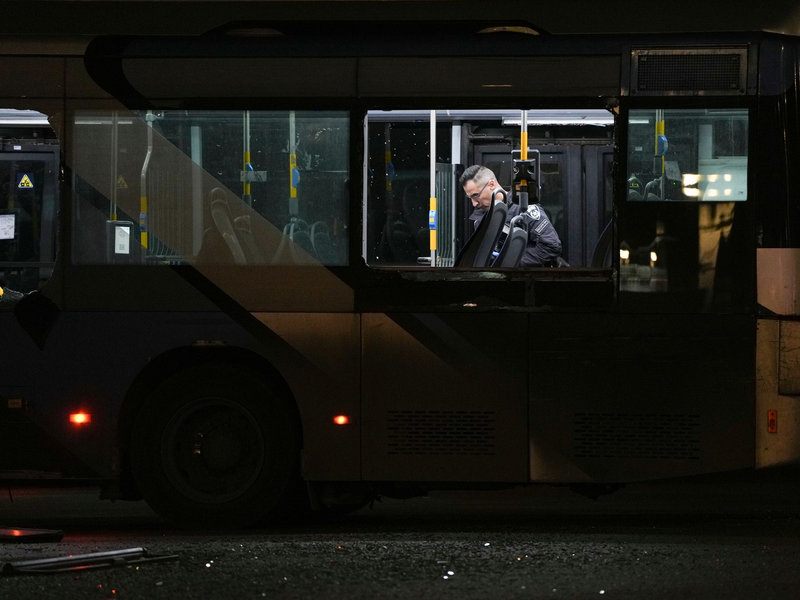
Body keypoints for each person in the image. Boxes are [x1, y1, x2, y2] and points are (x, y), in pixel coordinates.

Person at [459, 165, 562, 267]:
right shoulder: (480, 218)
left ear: (491, 184)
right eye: (470, 197)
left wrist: (511, 262)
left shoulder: (524, 208)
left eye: (476, 195)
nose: (474, 203)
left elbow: (551, 246)